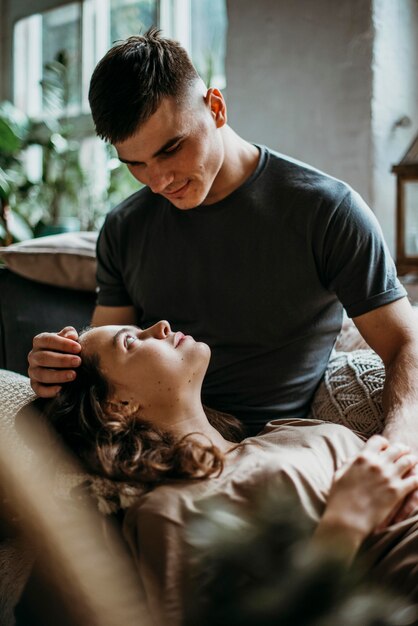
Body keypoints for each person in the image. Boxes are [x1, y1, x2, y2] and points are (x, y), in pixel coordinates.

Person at [28, 28, 418, 521]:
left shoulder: (326, 210)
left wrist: (401, 447)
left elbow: (406, 343)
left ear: (216, 107)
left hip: (276, 457)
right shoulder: (125, 228)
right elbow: (107, 358)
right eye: (136, 164)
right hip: (159, 459)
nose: (158, 180)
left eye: (170, 149)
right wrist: (58, 366)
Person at [36, 320, 418, 626]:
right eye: (132, 342)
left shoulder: (290, 430)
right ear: (120, 406)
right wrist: (344, 525)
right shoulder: (168, 511)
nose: (162, 325)